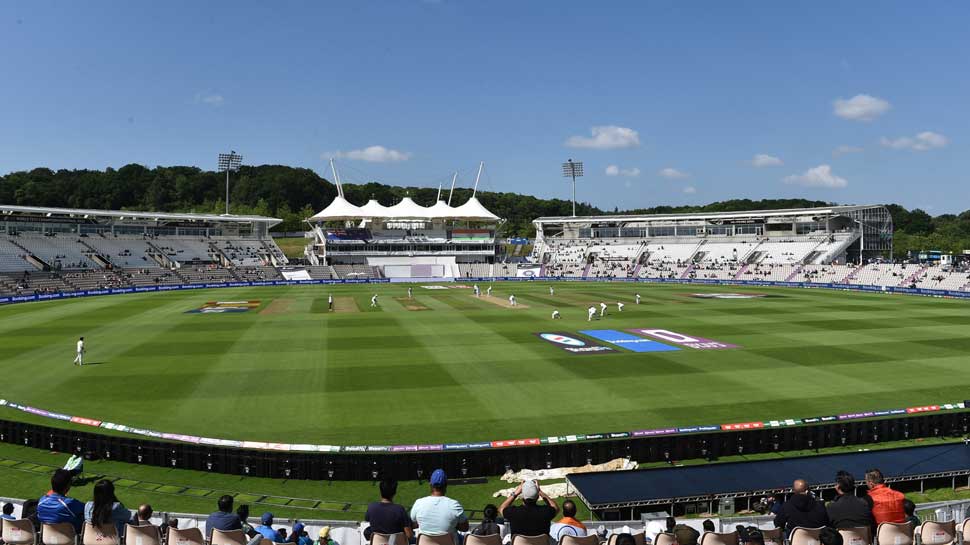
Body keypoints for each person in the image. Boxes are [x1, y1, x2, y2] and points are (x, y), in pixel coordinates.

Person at [409, 469, 469, 538]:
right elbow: (465, 528)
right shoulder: (454, 505)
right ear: (446, 485)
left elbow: (413, 524)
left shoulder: (419, 503)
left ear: (430, 484)